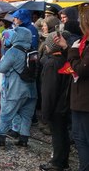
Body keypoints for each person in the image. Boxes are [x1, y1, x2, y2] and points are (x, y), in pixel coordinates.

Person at [55, 3, 89, 171]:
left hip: (84, 100)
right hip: (80, 99)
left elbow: (82, 69)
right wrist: (67, 47)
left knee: (82, 138)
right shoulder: (83, 41)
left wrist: (72, 51)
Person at [0, 27, 37, 147]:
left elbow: (2, 68)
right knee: (26, 116)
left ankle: (0, 139)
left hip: (15, 90)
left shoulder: (14, 51)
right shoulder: (32, 51)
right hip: (31, 90)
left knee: (6, 114)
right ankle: (23, 140)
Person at [39, 32, 71, 171]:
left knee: (58, 135)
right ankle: (63, 161)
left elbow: (49, 91)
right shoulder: (63, 60)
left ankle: (57, 163)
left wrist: (45, 112)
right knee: (63, 134)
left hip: (56, 107)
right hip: (63, 105)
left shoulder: (52, 63)